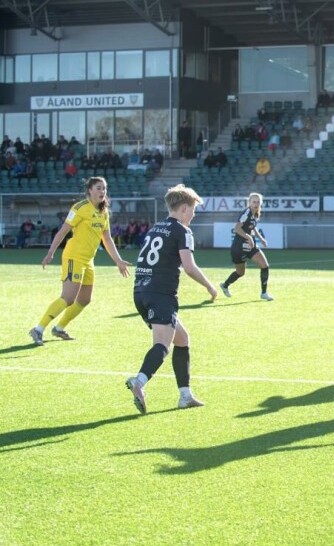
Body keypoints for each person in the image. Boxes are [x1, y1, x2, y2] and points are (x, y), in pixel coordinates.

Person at [125, 184, 218, 414]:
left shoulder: (156, 228)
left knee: (182, 339)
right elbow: (189, 266)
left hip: (141, 291)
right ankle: (139, 381)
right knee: (162, 344)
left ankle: (185, 395)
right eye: (194, 209)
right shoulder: (182, 231)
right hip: (161, 294)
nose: (194, 215)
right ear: (184, 208)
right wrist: (210, 286)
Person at [29, 177, 131, 346]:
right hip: (73, 257)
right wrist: (50, 252)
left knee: (84, 299)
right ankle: (38, 329)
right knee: (68, 298)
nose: (102, 192)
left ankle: (59, 328)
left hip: (88, 260)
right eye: (98, 188)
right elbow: (63, 231)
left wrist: (118, 261)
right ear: (90, 190)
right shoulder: (80, 208)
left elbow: (107, 238)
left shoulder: (104, 211)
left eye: (104, 188)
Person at [220, 192, 273, 301]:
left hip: (251, 246)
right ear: (249, 202)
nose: (256, 204)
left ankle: (264, 293)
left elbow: (253, 227)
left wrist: (261, 238)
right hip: (239, 247)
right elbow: (237, 228)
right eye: (254, 201)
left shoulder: (255, 214)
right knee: (240, 272)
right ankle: (225, 285)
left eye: (258, 202)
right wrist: (249, 238)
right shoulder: (247, 212)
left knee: (265, 266)